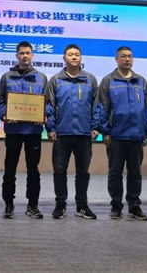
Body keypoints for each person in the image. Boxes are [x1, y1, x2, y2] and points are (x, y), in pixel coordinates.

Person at [93, 46, 147, 221]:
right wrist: (105, 131)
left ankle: (134, 206)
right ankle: (116, 205)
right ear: (116, 59)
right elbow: (101, 108)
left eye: (130, 56)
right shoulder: (108, 81)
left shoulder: (141, 81)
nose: (127, 59)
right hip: (116, 136)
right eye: (123, 56)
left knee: (135, 174)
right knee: (115, 173)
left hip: (136, 135)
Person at [44, 44, 98, 220]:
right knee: (60, 171)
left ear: (81, 58)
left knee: (83, 172)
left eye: (77, 54)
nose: (74, 57)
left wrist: (95, 126)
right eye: (70, 54)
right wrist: (51, 128)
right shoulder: (56, 80)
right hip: (62, 134)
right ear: (64, 58)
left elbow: (96, 105)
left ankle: (82, 206)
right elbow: (49, 106)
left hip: (84, 134)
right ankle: (60, 205)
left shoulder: (90, 80)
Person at [0, 41, 48, 219]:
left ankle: (32, 205)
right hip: (13, 130)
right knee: (9, 169)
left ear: (32, 55)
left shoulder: (41, 77)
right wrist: (5, 115)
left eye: (28, 53)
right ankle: (8, 205)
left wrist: (44, 115)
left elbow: (47, 103)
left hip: (33, 131)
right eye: (22, 53)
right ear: (17, 56)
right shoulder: (7, 77)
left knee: (33, 169)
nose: (25, 56)